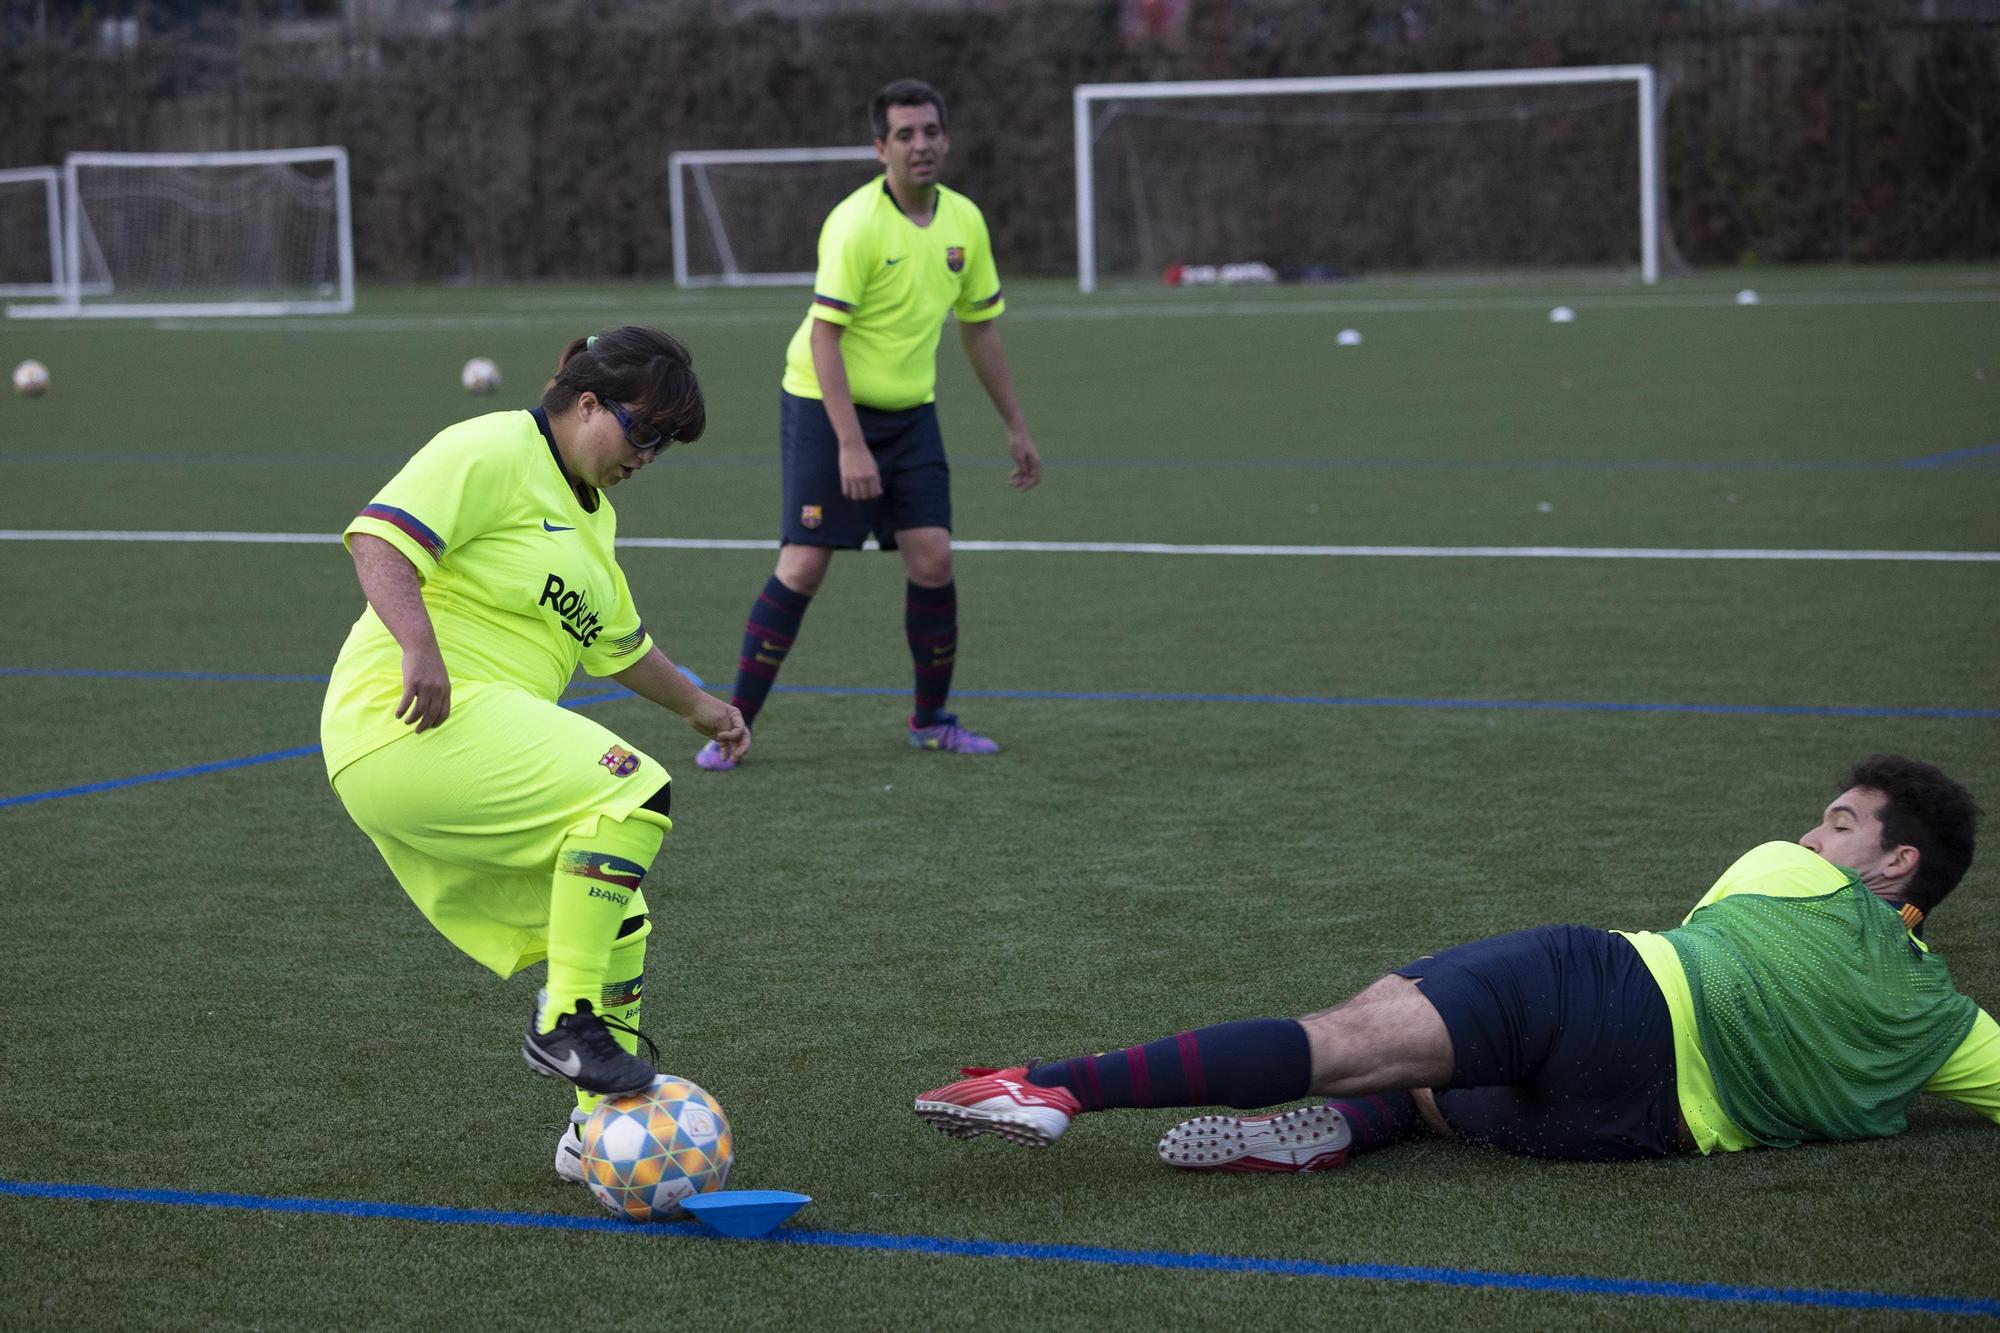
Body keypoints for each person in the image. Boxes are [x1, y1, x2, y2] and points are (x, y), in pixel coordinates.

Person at [916, 756, 1998, 1170]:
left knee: (1360, 1031)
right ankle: (1358, 1123)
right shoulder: (1944, 1027)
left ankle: (1055, 1083)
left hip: (1612, 991)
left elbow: (1701, 953)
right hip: (1632, 1132)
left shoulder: (1778, 871)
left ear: (1894, 862)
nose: (1814, 835)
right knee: (1437, 1083)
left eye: (1840, 824)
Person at [320, 327, 749, 1183]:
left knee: (615, 918)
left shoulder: (596, 526)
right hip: (401, 717)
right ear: (587, 402)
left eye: (665, 446)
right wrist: (419, 646)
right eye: (644, 432)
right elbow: (379, 541)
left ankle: (596, 1132)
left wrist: (705, 707)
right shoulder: (491, 444)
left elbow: (622, 648)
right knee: (632, 794)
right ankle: (565, 1024)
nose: (649, 456)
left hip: (458, 739)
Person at [696, 78, 1040, 772]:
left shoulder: (964, 223)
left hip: (911, 415)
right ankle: (732, 728)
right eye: (905, 135)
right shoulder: (855, 223)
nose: (922, 145)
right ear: (880, 148)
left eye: (931, 131)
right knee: (803, 564)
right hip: (825, 406)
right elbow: (825, 340)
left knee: (933, 556)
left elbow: (980, 331)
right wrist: (850, 444)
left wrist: (1016, 426)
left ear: (946, 138)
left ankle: (931, 720)